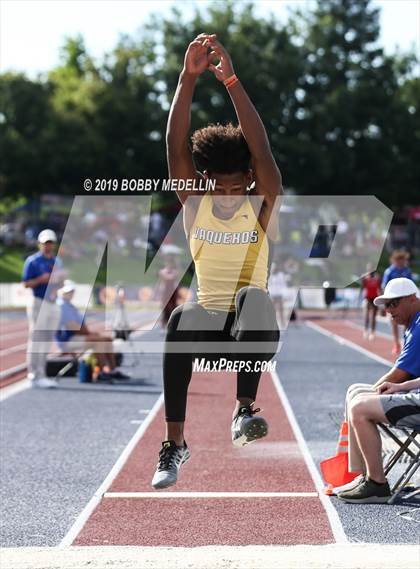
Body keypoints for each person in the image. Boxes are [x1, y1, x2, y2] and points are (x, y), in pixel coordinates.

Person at [151, 33, 281, 489]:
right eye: (218, 189)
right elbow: (175, 144)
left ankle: (244, 410)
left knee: (254, 297)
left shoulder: (261, 205)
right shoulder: (195, 204)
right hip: (210, 330)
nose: (226, 199)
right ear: (206, 181)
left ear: (248, 180)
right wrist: (187, 79)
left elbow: (262, 150)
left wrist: (231, 82)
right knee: (181, 316)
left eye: (235, 188)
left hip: (254, 334)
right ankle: (174, 444)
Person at [337, 277, 420, 503]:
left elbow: (400, 372)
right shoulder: (415, 323)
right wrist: (401, 386)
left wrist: (389, 387)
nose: (389, 311)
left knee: (360, 407)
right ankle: (364, 475)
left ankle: (377, 484)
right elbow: (403, 377)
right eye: (387, 305)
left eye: (394, 303)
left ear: (413, 299)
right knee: (355, 393)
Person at [56, 280, 129, 380]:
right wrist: (90, 334)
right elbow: (73, 326)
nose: (70, 294)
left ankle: (112, 370)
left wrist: (90, 334)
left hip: (75, 337)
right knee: (98, 341)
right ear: (61, 292)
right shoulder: (61, 305)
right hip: (68, 340)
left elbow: (78, 326)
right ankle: (102, 371)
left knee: (107, 340)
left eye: (71, 291)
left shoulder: (68, 305)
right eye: (67, 292)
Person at [22, 229, 65, 388]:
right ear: (40, 243)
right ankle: (34, 374)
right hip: (39, 301)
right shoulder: (32, 261)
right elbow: (26, 283)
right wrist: (42, 279)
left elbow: (60, 283)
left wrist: (58, 281)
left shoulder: (57, 261)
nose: (48, 245)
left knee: (47, 339)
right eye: (45, 242)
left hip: (53, 302)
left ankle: (42, 372)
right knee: (36, 338)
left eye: (50, 242)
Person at [381, 250, 413, 354]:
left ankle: (406, 342)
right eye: (399, 261)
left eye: (403, 261)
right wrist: (385, 305)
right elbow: (384, 287)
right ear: (395, 261)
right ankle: (396, 343)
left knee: (407, 322)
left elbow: (411, 286)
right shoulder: (389, 272)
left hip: (405, 301)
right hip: (392, 302)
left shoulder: (407, 271)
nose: (401, 263)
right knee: (394, 322)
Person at [157, 255, 180, 327]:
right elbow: (164, 278)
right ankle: (163, 325)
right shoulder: (162, 271)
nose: (169, 264)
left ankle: (173, 324)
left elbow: (174, 277)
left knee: (173, 308)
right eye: (168, 263)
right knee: (164, 309)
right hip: (165, 292)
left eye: (171, 263)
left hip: (173, 293)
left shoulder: (175, 272)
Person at [361, 268, 382, 340]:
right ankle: (366, 330)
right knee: (367, 315)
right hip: (367, 298)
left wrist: (381, 298)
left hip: (374, 298)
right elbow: (363, 288)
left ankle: (372, 332)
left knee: (373, 316)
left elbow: (379, 288)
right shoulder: (365, 279)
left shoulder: (377, 279)